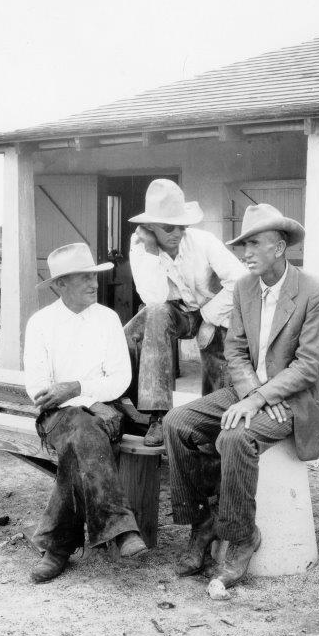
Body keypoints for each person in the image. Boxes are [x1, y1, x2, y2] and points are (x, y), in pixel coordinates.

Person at [163, 203, 319, 589]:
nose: (245, 253)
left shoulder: (316, 292)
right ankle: (203, 522)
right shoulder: (243, 288)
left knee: (235, 436)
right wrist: (254, 394)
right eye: (243, 245)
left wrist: (257, 400)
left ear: (279, 246)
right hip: (248, 391)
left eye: (254, 243)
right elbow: (235, 352)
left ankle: (242, 537)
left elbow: (308, 366)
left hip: (298, 399)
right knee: (177, 423)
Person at [23, 242, 147, 584]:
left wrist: (78, 388)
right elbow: (39, 390)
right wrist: (83, 397)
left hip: (106, 413)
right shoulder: (41, 324)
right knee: (81, 430)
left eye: (93, 277)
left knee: (82, 437)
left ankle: (57, 547)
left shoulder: (108, 319)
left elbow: (120, 379)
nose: (93, 284)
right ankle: (120, 528)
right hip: (58, 418)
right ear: (60, 285)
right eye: (82, 279)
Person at [124, 178, 248, 446]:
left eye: (182, 225)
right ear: (149, 228)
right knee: (146, 320)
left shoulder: (204, 241)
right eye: (169, 227)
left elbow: (241, 280)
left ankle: (210, 430)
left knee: (220, 372)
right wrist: (150, 251)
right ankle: (158, 416)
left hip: (213, 310)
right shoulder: (142, 248)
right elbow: (153, 298)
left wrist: (209, 318)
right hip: (173, 313)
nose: (177, 233)